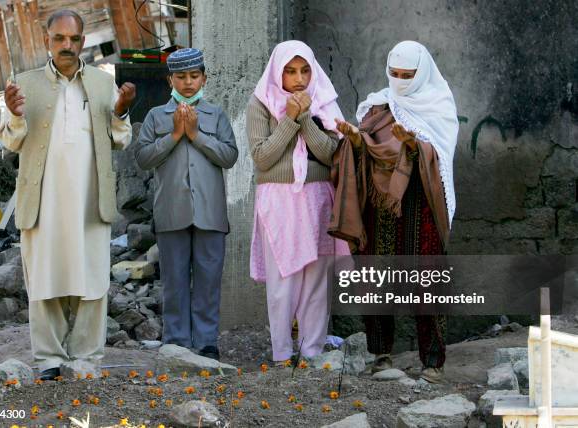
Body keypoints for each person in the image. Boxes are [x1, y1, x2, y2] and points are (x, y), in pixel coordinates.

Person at [0, 9, 135, 380]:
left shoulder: (103, 85)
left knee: (91, 279)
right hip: (42, 203)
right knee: (44, 279)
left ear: (83, 42)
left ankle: (86, 359)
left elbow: (121, 140)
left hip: (90, 202)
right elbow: (10, 141)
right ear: (47, 41)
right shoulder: (24, 84)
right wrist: (13, 115)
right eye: (59, 39)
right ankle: (48, 360)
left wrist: (121, 112)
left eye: (74, 40)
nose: (67, 46)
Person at [332, 41, 458, 383]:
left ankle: (432, 362)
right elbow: (367, 150)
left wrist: (415, 145)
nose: (400, 81)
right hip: (381, 206)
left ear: (422, 74)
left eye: (408, 75)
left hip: (421, 205)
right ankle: (380, 355)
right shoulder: (377, 106)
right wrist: (357, 141)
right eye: (395, 74)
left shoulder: (438, 106)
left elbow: (441, 154)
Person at [247, 40, 350, 363]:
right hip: (278, 201)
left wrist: (305, 118)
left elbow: (332, 154)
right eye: (290, 71)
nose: (299, 78)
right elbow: (263, 158)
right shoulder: (261, 103)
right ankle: (281, 354)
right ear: (279, 72)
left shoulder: (324, 101)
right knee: (282, 281)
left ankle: (312, 352)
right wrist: (289, 120)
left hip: (318, 199)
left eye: (305, 70)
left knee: (316, 280)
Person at [135, 48, 238, 361]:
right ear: (171, 80)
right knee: (174, 279)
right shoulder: (156, 117)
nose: (188, 83)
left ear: (204, 78)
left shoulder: (215, 115)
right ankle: (177, 339)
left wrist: (195, 135)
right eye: (181, 77)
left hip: (210, 213)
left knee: (208, 279)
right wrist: (175, 134)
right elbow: (143, 157)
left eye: (194, 76)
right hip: (171, 211)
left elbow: (229, 156)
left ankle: (207, 341)